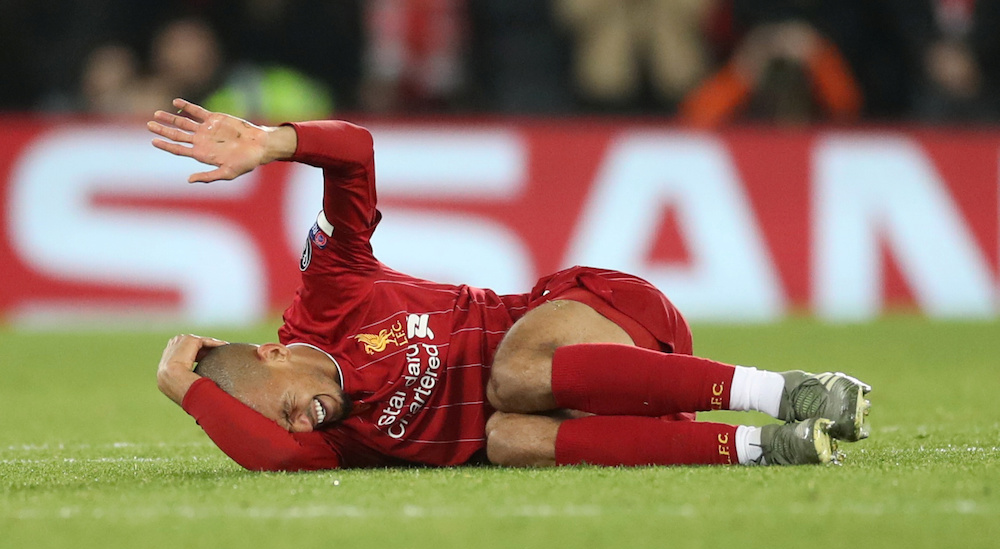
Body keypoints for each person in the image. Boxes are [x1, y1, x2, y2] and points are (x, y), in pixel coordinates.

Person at [150, 99, 872, 471]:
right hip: (612, 401)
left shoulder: (329, 297)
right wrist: (182, 385)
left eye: (289, 409)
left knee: (513, 379)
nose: (304, 426)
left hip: (595, 311)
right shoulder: (342, 440)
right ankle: (766, 448)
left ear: (275, 355)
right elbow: (276, 454)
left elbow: (356, 153)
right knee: (506, 439)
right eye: (292, 429)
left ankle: (789, 392)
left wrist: (273, 143)